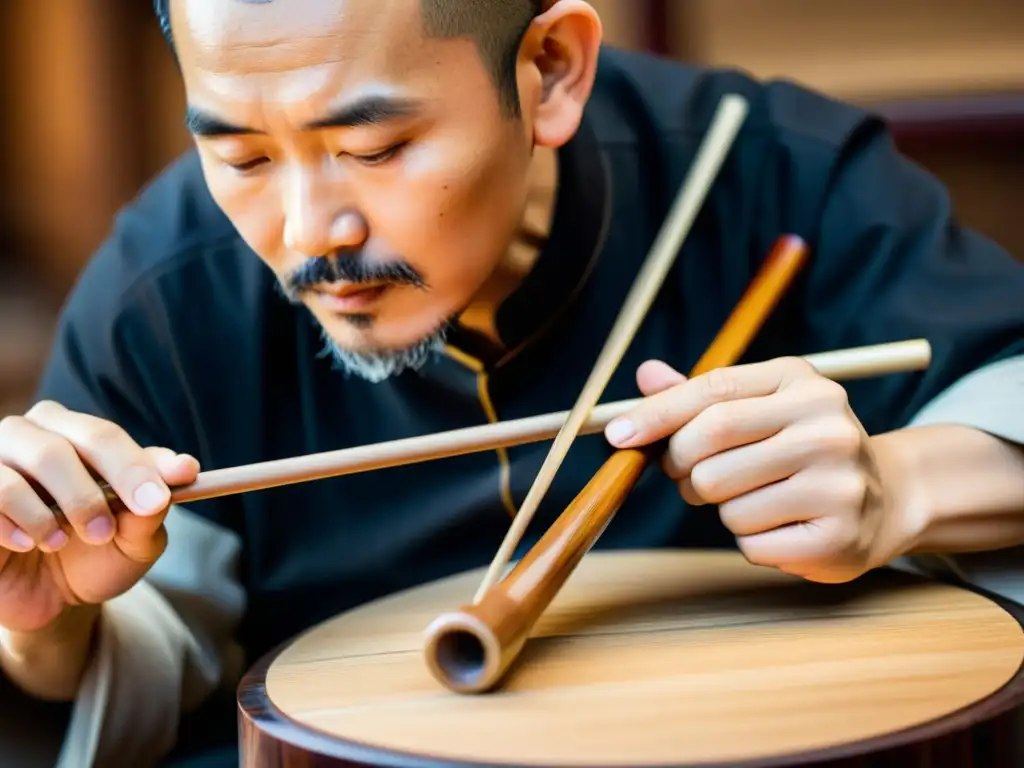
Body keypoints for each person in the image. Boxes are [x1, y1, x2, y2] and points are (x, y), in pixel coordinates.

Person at [1, 0, 1023, 764]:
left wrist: (899, 486)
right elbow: (127, 658)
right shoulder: (164, 285)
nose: (312, 233)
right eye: (243, 156)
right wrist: (45, 618)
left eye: (375, 146)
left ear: (550, 69)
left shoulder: (764, 167)